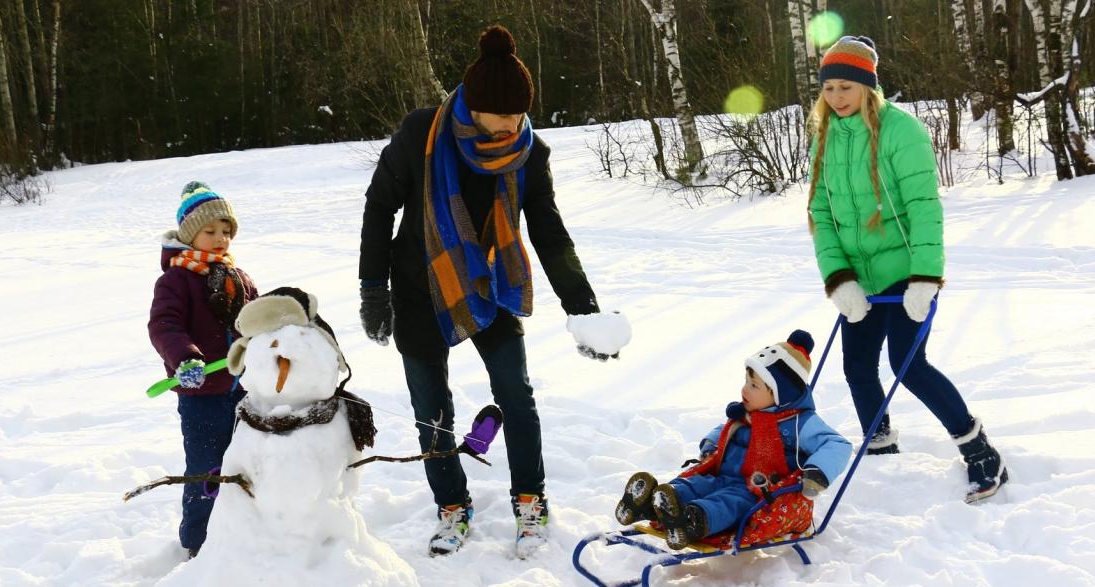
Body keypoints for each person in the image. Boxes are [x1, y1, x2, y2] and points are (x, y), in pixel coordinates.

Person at [358, 25, 625, 558]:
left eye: (519, 114)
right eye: (501, 114)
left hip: (491, 285)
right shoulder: (420, 135)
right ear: (473, 106)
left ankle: (531, 499)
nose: (511, 124)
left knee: (516, 396)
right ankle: (451, 507)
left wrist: (583, 309)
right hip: (418, 286)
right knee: (430, 408)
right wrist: (373, 288)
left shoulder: (529, 152)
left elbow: (549, 232)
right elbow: (378, 207)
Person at [806, 36, 1009, 503]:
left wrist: (924, 277)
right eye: (829, 88)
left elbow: (923, 208)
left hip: (905, 271)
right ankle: (879, 445)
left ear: (868, 87)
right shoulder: (824, 134)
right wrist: (839, 279)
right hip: (860, 278)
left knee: (906, 364)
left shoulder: (902, 131)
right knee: (856, 365)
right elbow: (820, 211)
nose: (836, 97)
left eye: (846, 87)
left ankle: (980, 452)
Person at [615, 330, 851, 551]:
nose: (744, 390)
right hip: (722, 475)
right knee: (697, 485)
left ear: (780, 395)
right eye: (746, 381)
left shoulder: (800, 422)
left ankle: (693, 520)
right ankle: (653, 503)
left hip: (756, 490)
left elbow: (837, 444)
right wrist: (711, 443)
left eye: (754, 385)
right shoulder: (748, 412)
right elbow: (726, 429)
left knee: (729, 503)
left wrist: (816, 472)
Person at [148, 181, 258, 558]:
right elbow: (164, 326)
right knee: (207, 470)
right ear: (190, 235)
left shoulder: (239, 277)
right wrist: (185, 359)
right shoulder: (176, 280)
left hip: (245, 391)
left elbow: (256, 322)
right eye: (210, 231)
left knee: (249, 462)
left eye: (226, 231)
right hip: (202, 396)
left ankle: (250, 530)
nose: (220, 238)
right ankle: (199, 543)